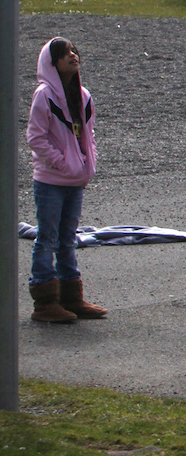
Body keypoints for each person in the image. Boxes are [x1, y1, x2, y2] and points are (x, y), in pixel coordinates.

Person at [26, 37, 108, 323]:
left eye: (74, 52)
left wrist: (86, 167)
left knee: (67, 238)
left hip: (74, 181)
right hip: (50, 181)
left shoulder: (83, 96)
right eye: (65, 54)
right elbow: (35, 137)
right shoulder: (44, 95)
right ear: (52, 63)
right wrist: (63, 164)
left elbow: (89, 136)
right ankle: (45, 302)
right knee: (46, 237)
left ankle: (72, 297)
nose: (73, 56)